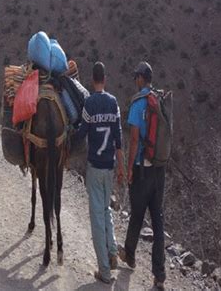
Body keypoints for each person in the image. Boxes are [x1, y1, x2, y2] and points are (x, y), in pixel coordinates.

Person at [118, 61, 166, 290]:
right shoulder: (160, 100)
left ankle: (130, 254)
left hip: (142, 169)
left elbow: (135, 139)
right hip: (159, 169)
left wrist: (129, 168)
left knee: (137, 215)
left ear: (140, 78)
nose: (135, 80)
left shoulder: (138, 103)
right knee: (157, 221)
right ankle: (159, 275)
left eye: (136, 76)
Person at [77, 61, 124, 284]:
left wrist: (67, 139)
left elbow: (81, 133)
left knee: (96, 218)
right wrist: (121, 167)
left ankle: (104, 271)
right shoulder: (113, 102)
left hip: (95, 168)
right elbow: (119, 138)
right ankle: (113, 251)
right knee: (106, 210)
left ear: (92, 79)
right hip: (110, 166)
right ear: (104, 79)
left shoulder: (89, 103)